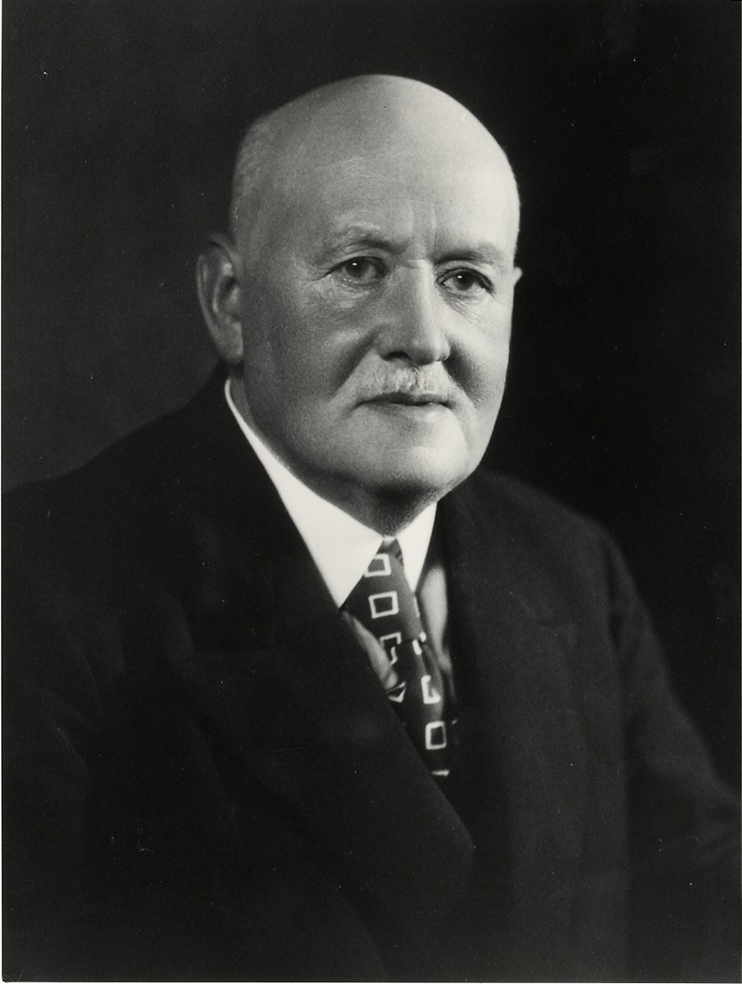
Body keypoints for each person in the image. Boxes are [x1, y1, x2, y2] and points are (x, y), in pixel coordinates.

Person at [3, 75, 738, 982]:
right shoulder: (38, 583)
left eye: (466, 279)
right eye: (361, 269)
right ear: (229, 300)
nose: (424, 337)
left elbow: (708, 909)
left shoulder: (572, 567)